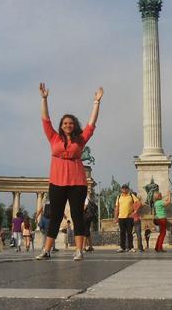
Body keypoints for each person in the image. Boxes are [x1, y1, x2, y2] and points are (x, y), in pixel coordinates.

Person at [35, 83, 103, 262]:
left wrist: (96, 103)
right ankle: (47, 250)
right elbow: (45, 119)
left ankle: (79, 250)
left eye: (71, 123)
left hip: (77, 182)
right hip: (57, 181)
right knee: (55, 216)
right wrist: (44, 99)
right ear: (61, 125)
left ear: (74, 126)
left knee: (77, 215)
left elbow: (91, 124)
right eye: (65, 123)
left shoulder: (80, 140)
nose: (68, 125)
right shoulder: (53, 137)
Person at [113, 184, 140, 253]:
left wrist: (135, 212)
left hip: (129, 217)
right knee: (122, 233)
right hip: (121, 217)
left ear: (128, 189)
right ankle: (122, 247)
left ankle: (131, 247)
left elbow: (138, 203)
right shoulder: (119, 197)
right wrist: (115, 217)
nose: (124, 189)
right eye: (123, 188)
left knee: (129, 233)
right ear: (121, 189)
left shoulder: (131, 195)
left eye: (126, 188)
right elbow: (117, 208)